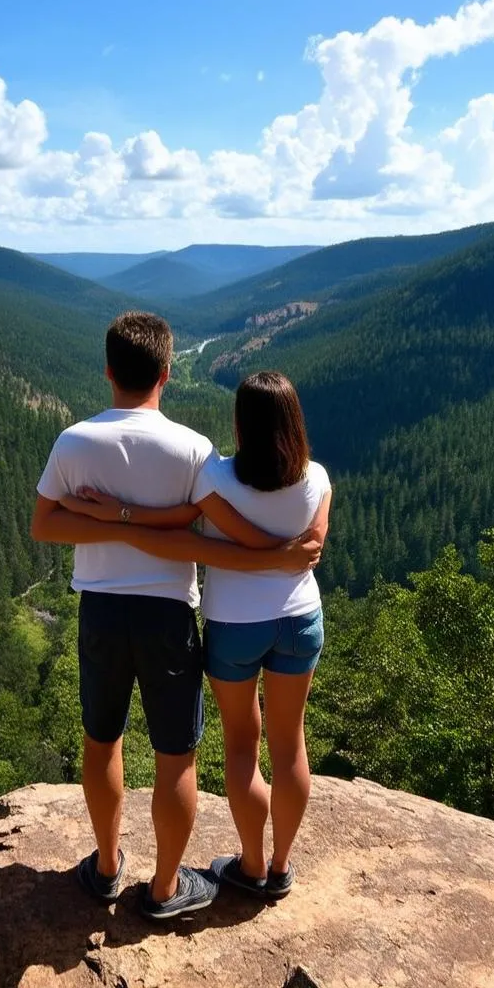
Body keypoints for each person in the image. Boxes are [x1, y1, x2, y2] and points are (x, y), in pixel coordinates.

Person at [31, 315, 322, 920]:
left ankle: (108, 867)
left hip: (102, 609)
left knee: (101, 740)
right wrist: (280, 557)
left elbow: (45, 525)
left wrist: (110, 518)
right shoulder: (194, 450)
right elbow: (206, 531)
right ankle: (166, 887)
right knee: (177, 757)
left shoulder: (72, 442)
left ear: (108, 370)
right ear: (167, 372)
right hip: (170, 615)